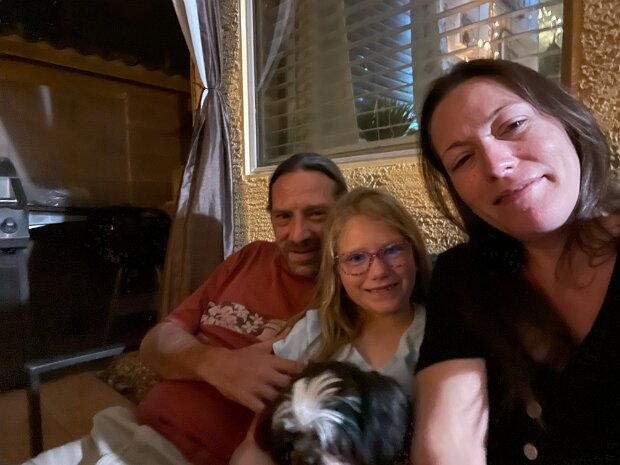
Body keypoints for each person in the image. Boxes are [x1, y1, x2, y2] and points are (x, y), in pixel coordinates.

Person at [24, 152, 348, 465]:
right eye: (283, 216)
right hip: (126, 430)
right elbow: (155, 343)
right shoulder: (249, 258)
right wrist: (217, 364)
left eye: (316, 214)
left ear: (343, 213)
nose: (298, 234)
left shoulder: (350, 293)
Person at [411, 58, 620, 465]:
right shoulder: (462, 277)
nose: (496, 164)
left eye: (513, 125)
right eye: (462, 159)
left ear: (567, 121)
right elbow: (447, 443)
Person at [231, 187, 432, 465]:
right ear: (336, 270)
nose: (379, 271)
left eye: (393, 249)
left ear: (415, 253)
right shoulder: (312, 333)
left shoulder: (440, 334)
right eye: (356, 258)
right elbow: (257, 445)